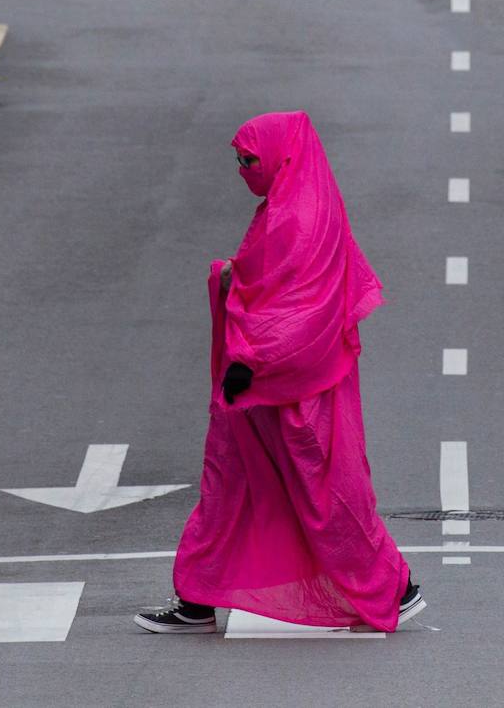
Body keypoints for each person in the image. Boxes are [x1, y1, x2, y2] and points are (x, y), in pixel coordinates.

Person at [135, 110, 425, 635]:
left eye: (249, 159)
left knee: (324, 495)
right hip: (269, 386)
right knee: (230, 486)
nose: (242, 169)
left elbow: (299, 310)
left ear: (279, 158)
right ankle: (196, 597)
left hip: (291, 391)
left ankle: (395, 586)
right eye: (238, 160)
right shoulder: (294, 205)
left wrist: (251, 360)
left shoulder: (298, 218)